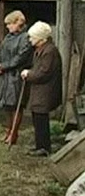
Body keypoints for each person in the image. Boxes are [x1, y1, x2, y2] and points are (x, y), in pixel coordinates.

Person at [20, 21, 63, 157]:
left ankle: (44, 147)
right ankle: (40, 145)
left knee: (41, 118)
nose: (30, 39)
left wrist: (29, 74)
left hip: (46, 90)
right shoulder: (40, 50)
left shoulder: (49, 52)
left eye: (32, 37)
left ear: (41, 38)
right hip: (39, 90)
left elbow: (44, 73)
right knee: (37, 117)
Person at [0, 10, 34, 145]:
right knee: (7, 106)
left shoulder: (25, 38)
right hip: (6, 77)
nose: (8, 27)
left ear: (18, 23)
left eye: (10, 24)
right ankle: (8, 130)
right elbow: (0, 51)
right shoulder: (8, 37)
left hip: (17, 77)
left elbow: (20, 58)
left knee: (16, 106)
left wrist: (4, 66)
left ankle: (14, 133)